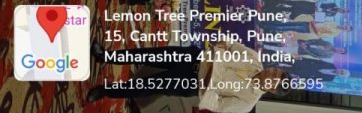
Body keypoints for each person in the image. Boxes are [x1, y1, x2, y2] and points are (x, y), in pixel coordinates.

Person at [87, 42, 290, 107]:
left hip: (192, 82)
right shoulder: (254, 58)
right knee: (147, 55)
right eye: (274, 70)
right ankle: (106, 56)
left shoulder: (247, 102)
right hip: (195, 57)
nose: (269, 72)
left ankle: (105, 91)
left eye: (273, 78)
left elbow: (217, 106)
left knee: (145, 86)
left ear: (272, 89)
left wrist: (210, 83)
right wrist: (222, 45)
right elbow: (231, 45)